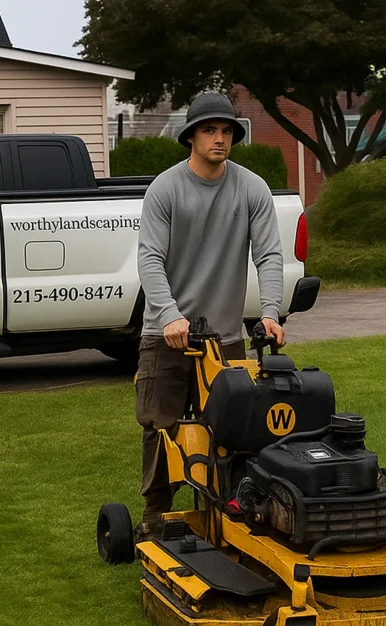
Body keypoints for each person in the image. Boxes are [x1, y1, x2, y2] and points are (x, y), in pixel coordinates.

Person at [135, 92, 286, 539]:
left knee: (233, 431)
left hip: (225, 337)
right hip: (168, 335)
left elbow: (271, 256)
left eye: (226, 132)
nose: (220, 139)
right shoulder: (166, 189)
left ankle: (230, 513)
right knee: (162, 428)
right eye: (210, 131)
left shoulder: (251, 188)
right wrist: (168, 316)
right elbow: (149, 259)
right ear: (191, 138)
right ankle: (155, 516)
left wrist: (272, 313)